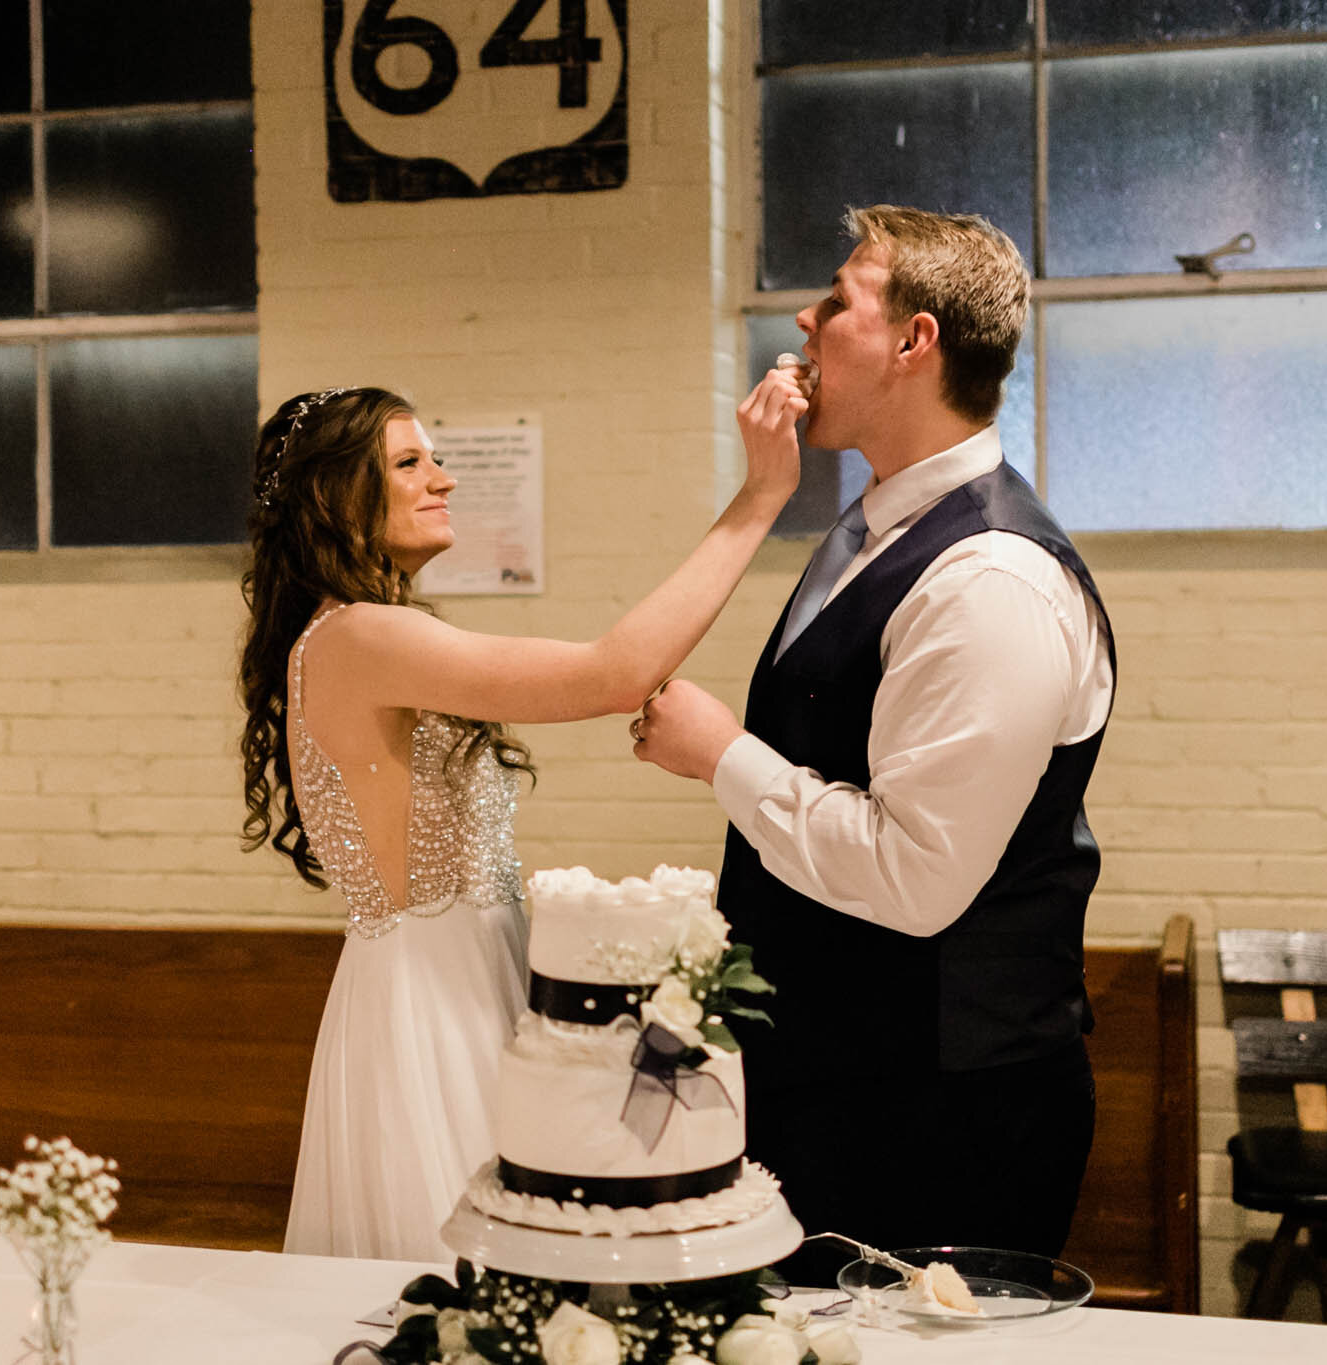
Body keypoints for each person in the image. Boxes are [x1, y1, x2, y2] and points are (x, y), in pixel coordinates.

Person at [633, 205, 1117, 1284]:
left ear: (914, 341)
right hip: (833, 1085)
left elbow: (914, 880)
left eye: (838, 299)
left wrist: (719, 752)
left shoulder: (987, 578)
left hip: (940, 1111)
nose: (801, 320)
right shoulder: (863, 531)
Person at [239, 383, 800, 1261]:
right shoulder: (358, 636)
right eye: (410, 462)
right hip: (435, 1003)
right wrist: (759, 496)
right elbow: (615, 672)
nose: (444, 479)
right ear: (331, 495)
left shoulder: (356, 634)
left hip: (470, 973)